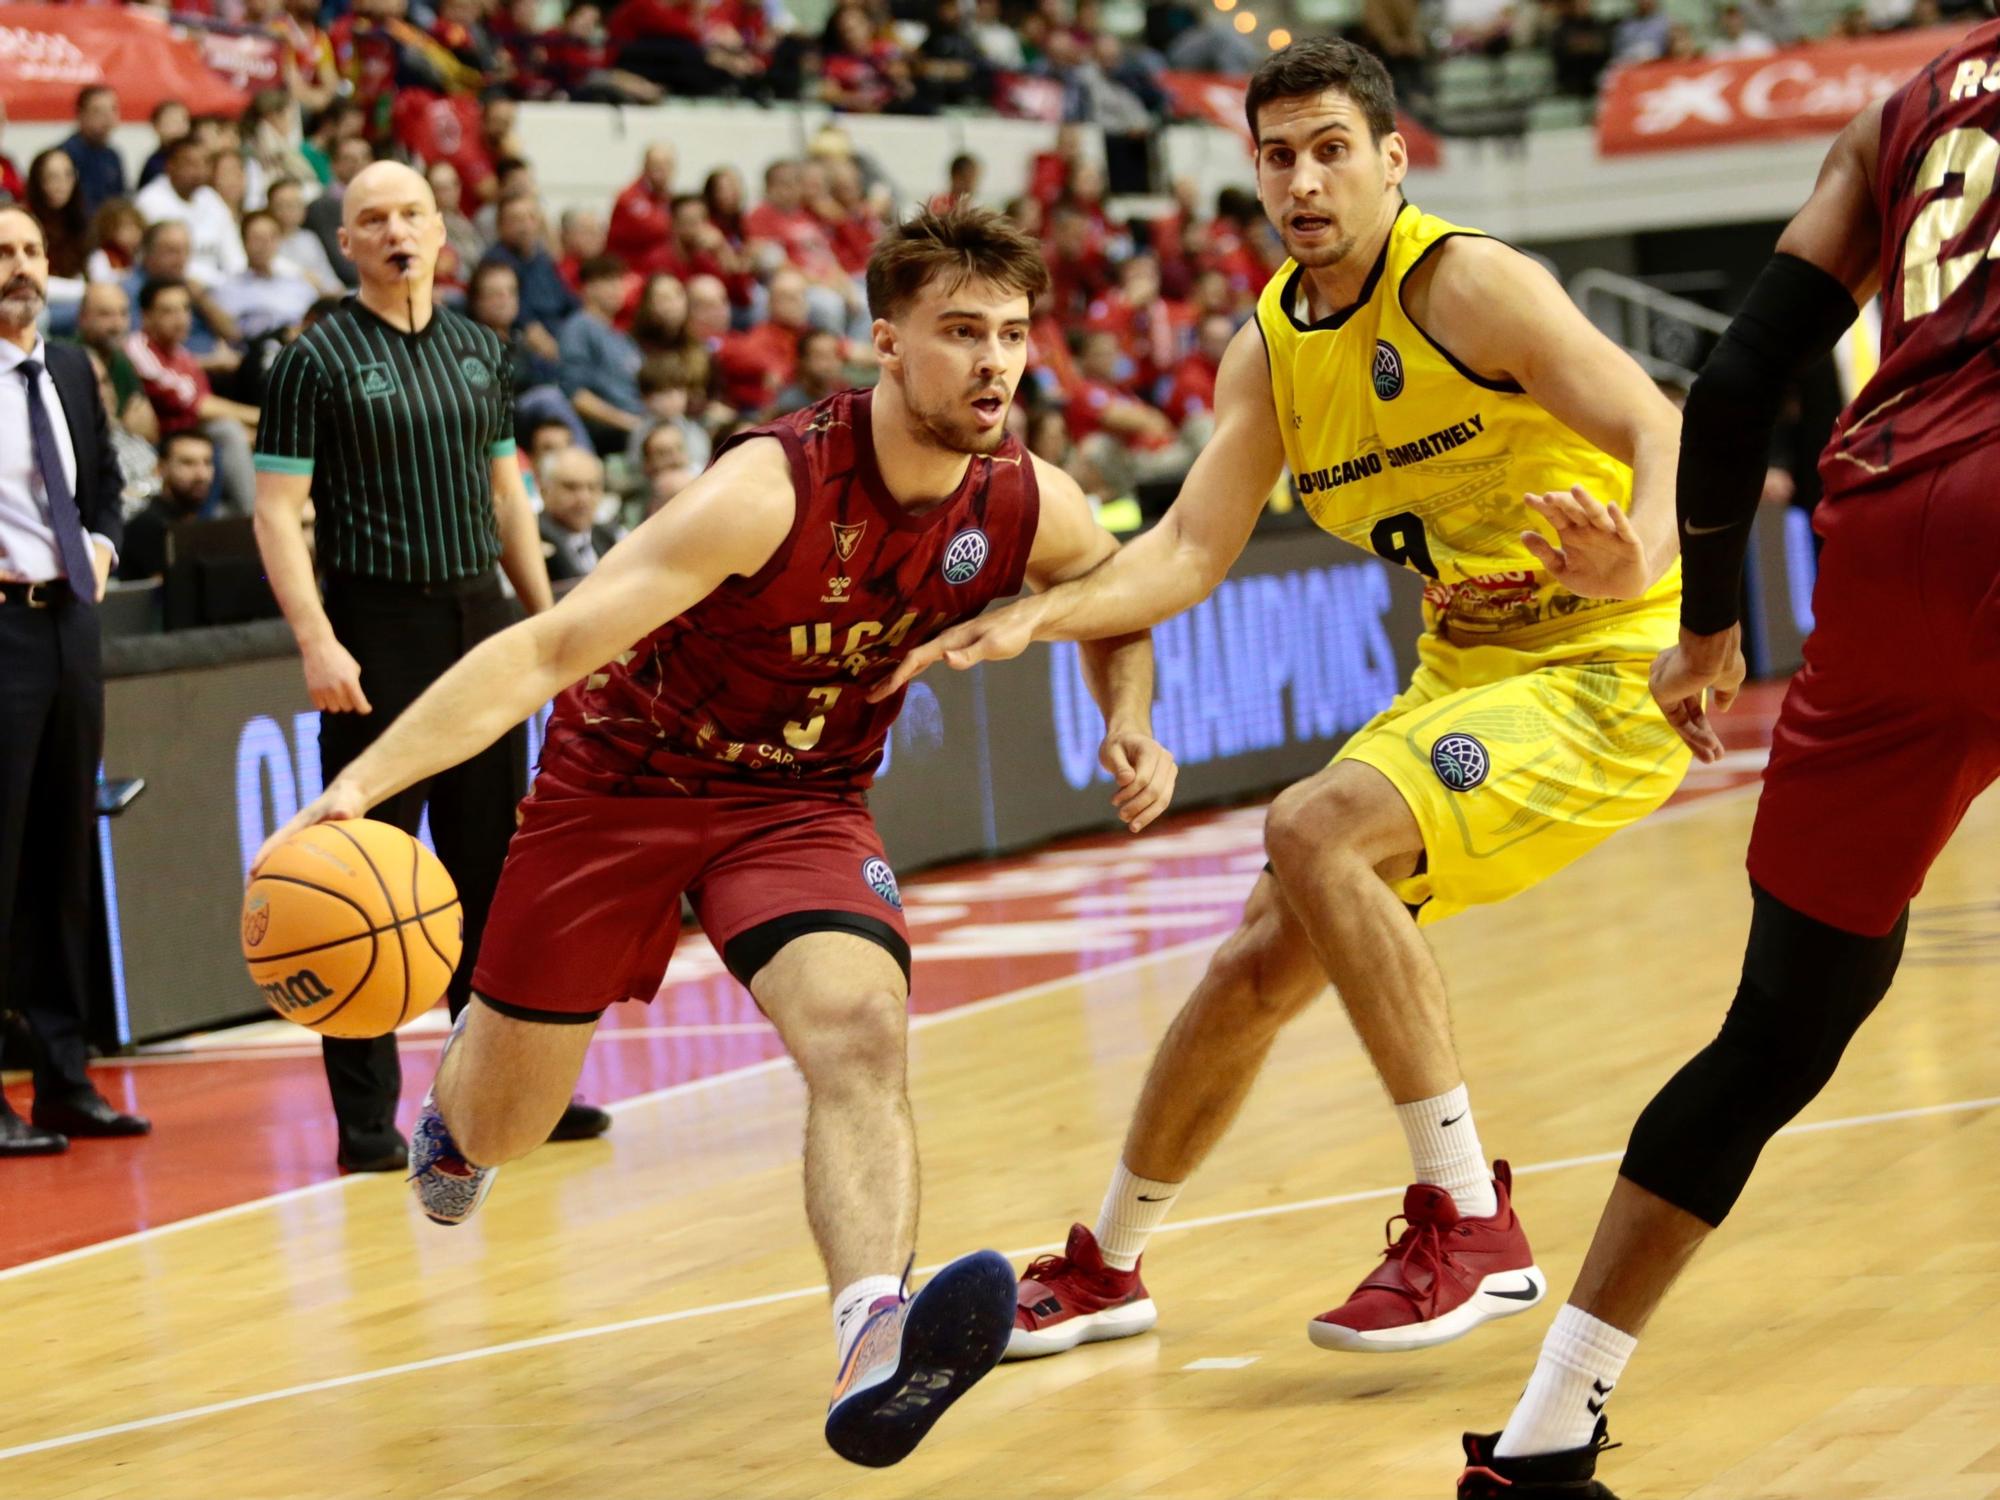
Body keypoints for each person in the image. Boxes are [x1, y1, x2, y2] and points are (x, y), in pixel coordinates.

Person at [254, 203, 1177, 1467]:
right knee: (508, 1129)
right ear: (884, 345)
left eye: (1012, 334)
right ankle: (455, 1118)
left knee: (859, 1027)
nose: (993, 364)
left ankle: (873, 1336)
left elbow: (1116, 599)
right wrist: (358, 787)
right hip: (617, 786)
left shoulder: (1024, 499)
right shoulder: (766, 487)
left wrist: (1127, 720)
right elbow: (549, 645)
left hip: (797, 806)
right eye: (959, 332)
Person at [880, 39, 1692, 1362]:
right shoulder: (1268, 348)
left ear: (1390, 158)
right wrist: (1043, 610)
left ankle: (1470, 1212)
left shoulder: (1466, 282)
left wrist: (1645, 551)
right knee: (1260, 958)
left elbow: (1661, 425)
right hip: (1468, 674)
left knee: (1311, 829)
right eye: (1277, 155)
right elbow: (1191, 550)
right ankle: (1109, 1268)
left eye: (1329, 149)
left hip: (1607, 668)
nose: (1303, 179)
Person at [1455, 21, 2000, 1498]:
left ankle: (1545, 1431)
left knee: (1787, 1024)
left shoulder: (1903, 111)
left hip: (1888, 542)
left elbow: (1743, 369)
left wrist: (1708, 626)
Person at [250, 161, 608, 1173]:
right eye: (373, 218)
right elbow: (276, 512)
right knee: (357, 877)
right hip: (374, 627)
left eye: (411, 213)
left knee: (494, 870)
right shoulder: (312, 361)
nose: (395, 230)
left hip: (479, 622)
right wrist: (317, 640)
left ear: (441, 231)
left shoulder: (479, 350)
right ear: (347, 245)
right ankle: (366, 1123)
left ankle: (495, 1100)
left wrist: (551, 632)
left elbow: (510, 502)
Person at [0, 207, 150, 1156]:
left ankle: (63, 1082)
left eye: (27, 252)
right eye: (0, 254)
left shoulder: (65, 369)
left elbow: (104, 487)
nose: (17, 267)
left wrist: (97, 545)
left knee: (61, 859)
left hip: (71, 632)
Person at [118, 429, 214, 579]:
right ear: (161, 468)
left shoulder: (192, 520)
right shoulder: (149, 525)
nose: (202, 474)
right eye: (188, 463)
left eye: (207, 462)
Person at [536, 444, 621, 582]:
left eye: (592, 487)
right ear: (544, 491)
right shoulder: (530, 541)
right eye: (571, 487)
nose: (583, 498)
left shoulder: (609, 538)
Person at [60, 88, 127, 220]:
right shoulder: (65, 155)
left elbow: (120, 201)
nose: (108, 117)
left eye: (112, 109)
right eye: (98, 111)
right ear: (80, 114)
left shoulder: (113, 156)